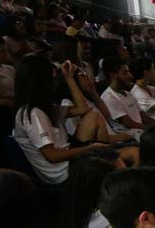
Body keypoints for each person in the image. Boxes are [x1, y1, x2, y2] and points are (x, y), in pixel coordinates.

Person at [13, 56, 106, 185]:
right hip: (62, 172)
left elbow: (83, 108)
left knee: (93, 116)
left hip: (69, 156)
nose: (54, 83)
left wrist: (69, 77)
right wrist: (89, 149)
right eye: (51, 79)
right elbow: (52, 156)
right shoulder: (32, 113)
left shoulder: (46, 107)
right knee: (119, 159)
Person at [100, 57, 150, 138]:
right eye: (125, 73)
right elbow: (129, 124)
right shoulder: (109, 97)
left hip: (142, 132)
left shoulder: (128, 94)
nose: (130, 76)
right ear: (113, 76)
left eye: (129, 72)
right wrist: (153, 129)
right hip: (129, 137)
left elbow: (144, 117)